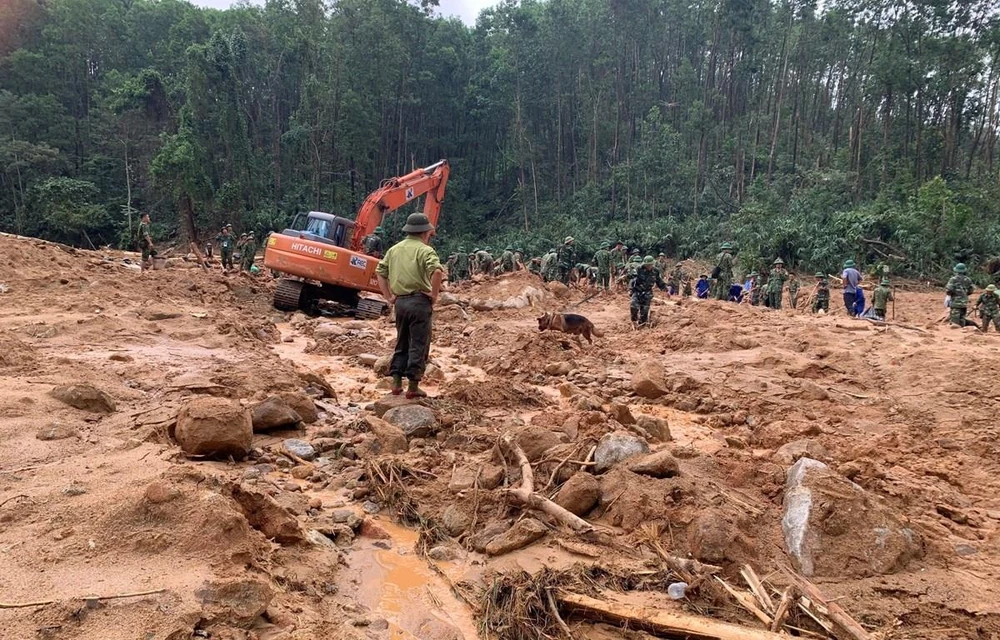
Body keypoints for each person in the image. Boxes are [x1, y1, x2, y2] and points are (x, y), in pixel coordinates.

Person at [375, 213, 443, 399]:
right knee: (419, 344)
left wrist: (389, 296)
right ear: (424, 232)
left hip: (401, 303)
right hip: (419, 301)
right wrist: (434, 295)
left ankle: (396, 383)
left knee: (402, 342)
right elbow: (437, 272)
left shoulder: (394, 250)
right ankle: (413, 386)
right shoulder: (425, 250)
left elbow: (380, 272)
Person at [630, 256, 667, 326]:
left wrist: (664, 289)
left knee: (644, 310)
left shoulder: (655, 271)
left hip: (647, 292)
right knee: (633, 306)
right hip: (637, 291)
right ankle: (634, 321)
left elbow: (659, 281)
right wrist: (631, 289)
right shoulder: (638, 269)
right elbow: (632, 279)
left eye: (650, 265)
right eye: (647, 265)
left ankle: (642, 324)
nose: (649, 266)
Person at [945, 262, 975, 326]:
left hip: (955, 303)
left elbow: (949, 290)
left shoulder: (953, 279)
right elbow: (971, 290)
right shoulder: (968, 280)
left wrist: (950, 295)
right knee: (962, 318)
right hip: (964, 303)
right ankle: (962, 331)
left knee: (954, 320)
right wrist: (964, 294)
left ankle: (955, 333)